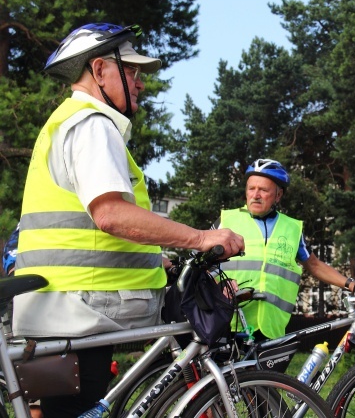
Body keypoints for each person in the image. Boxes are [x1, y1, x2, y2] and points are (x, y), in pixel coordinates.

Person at [13, 23, 244, 418]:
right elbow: (110, 215)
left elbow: (86, 232)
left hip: (58, 312)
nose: (140, 83)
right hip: (79, 313)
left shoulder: (67, 121)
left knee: (60, 413)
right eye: (132, 72)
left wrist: (159, 259)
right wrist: (201, 238)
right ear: (100, 69)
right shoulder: (92, 125)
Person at [211, 158, 355, 340]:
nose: (255, 195)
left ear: (278, 195)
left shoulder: (292, 228)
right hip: (226, 322)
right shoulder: (227, 220)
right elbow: (197, 262)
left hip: (270, 328)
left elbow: (314, 265)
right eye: (251, 188)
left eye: (263, 190)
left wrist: (352, 285)